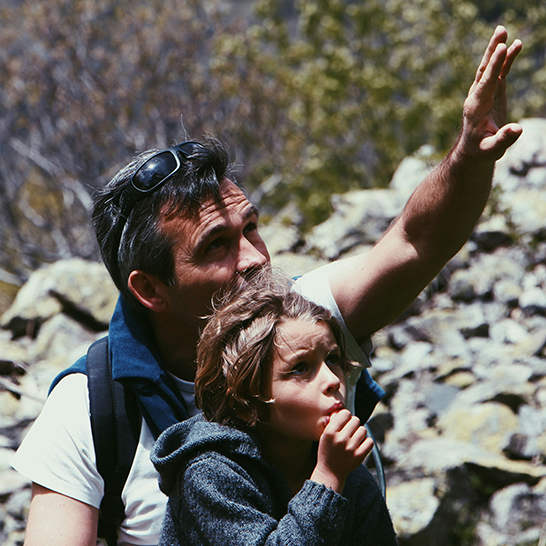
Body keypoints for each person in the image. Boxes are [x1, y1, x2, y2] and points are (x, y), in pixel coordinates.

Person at [11, 25, 522, 546]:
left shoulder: (302, 323)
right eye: (216, 246)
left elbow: (416, 241)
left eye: (251, 228)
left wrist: (469, 155)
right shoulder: (91, 409)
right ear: (150, 290)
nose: (255, 259)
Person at [151, 270, 398, 545]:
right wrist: (327, 478)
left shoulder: (348, 473)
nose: (332, 380)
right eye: (300, 368)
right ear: (245, 402)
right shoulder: (209, 474)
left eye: (333, 359)